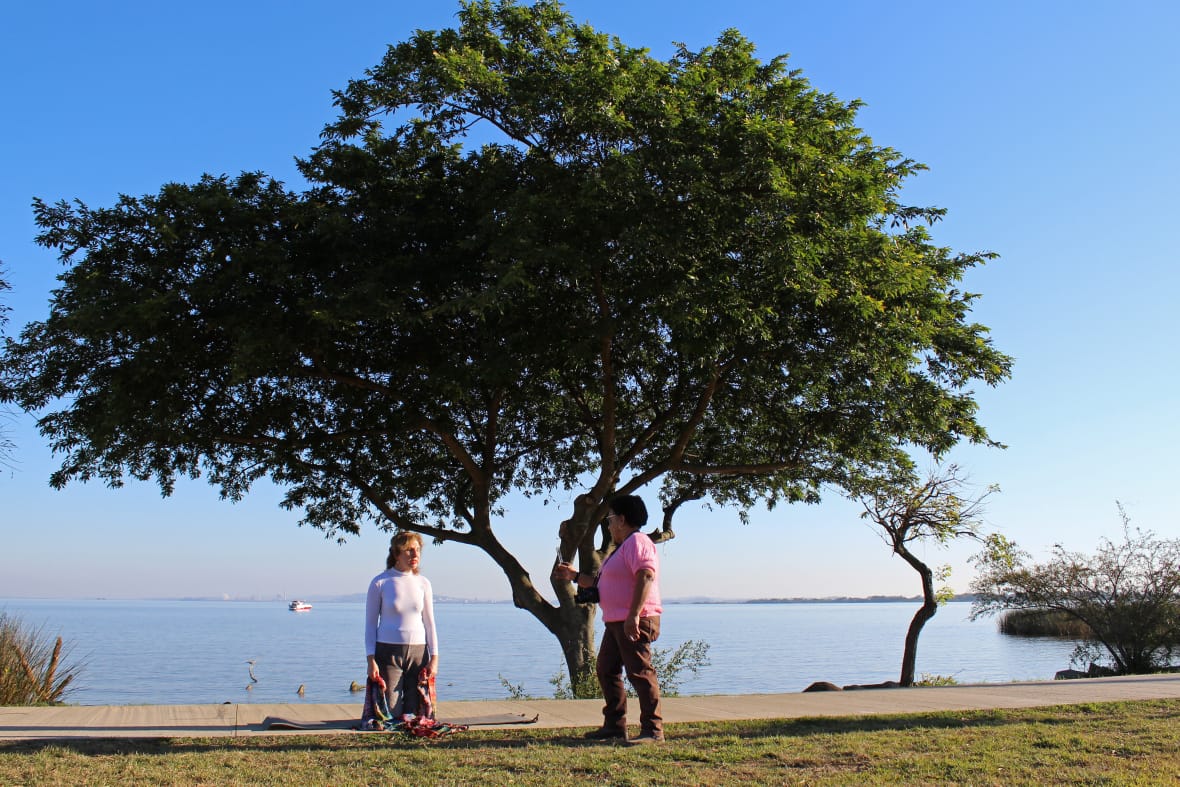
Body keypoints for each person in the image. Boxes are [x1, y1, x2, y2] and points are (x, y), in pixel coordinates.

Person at [554, 494, 664, 743]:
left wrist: (634, 615)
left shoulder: (638, 542)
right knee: (606, 670)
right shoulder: (622, 548)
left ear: (622, 519)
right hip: (616, 621)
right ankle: (615, 726)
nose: (609, 524)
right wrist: (573, 576)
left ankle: (653, 730)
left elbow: (646, 575)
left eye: (610, 519)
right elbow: (601, 586)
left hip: (633, 619)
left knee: (640, 672)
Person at [365, 531, 439, 717]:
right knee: (391, 711)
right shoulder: (380, 582)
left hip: (418, 652)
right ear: (396, 554)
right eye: (409, 550)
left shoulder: (423, 583)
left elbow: (430, 623)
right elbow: (370, 625)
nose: (415, 555)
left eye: (417, 550)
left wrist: (434, 657)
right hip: (388, 652)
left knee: (416, 711)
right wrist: (371, 660)